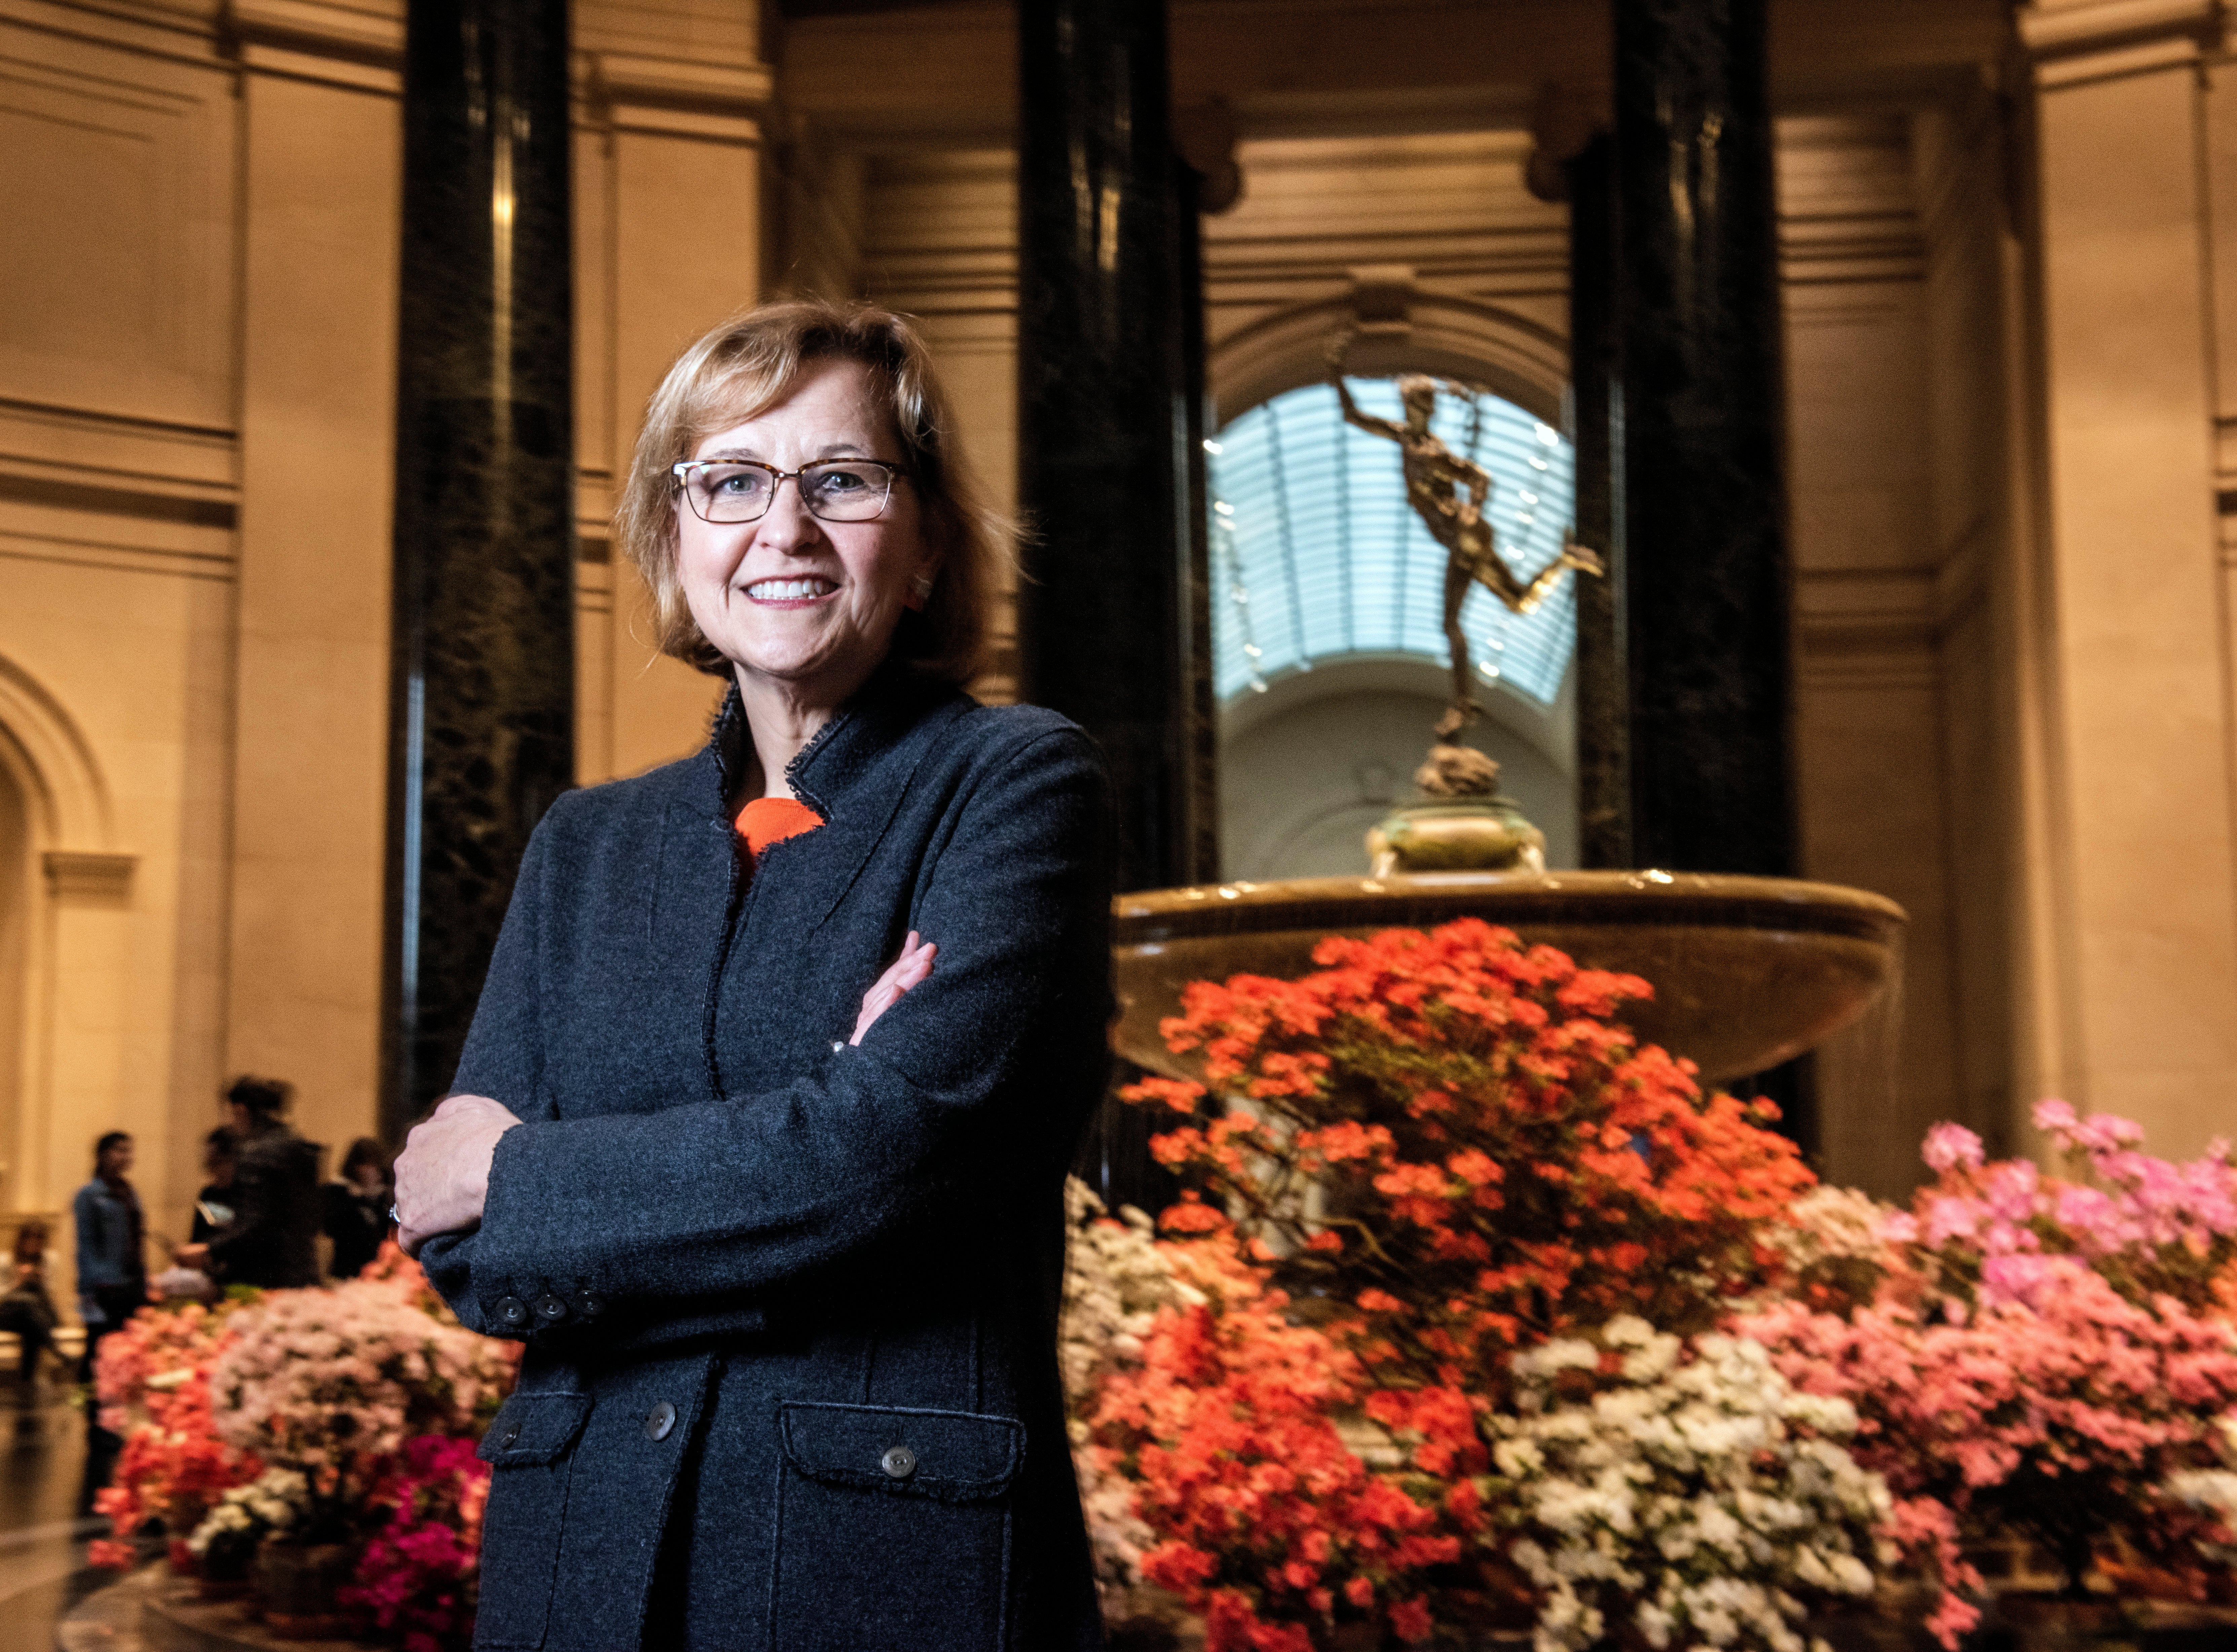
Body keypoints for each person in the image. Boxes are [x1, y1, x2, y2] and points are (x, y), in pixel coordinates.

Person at [395, 301, 1113, 1650]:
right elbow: (467, 1258)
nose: (780, 529)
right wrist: (812, 1145)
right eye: (729, 481)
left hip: (880, 1570)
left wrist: (526, 1172)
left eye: (840, 481)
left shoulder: (1014, 785)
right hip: (577, 1575)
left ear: (924, 547)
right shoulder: (584, 844)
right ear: (677, 540)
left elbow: (883, 1164)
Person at [174, 1077, 319, 1289]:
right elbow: (312, 1220)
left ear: (241, 1111)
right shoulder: (302, 1148)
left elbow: (254, 1223)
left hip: (264, 1277)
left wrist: (209, 1250)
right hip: (303, 1270)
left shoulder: (256, 1154)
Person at [72, 1132, 146, 1379]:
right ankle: (90, 1408)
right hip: (105, 1285)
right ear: (103, 1155)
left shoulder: (130, 1192)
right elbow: (86, 1245)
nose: (126, 1156)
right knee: (97, 1349)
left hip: (132, 1282)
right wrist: (92, 1287)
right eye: (120, 1150)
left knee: (127, 1350)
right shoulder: (89, 1195)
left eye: (129, 1151)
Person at [0, 1222, 59, 1413]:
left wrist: (39, 1279)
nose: (34, 1243)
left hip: (36, 1316)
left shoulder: (49, 1260)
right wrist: (19, 1282)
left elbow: (49, 1294)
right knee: (27, 1302)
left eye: (38, 1239)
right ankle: (53, 1349)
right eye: (29, 1238)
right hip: (9, 1314)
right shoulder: (6, 1261)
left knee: (31, 1319)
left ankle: (26, 1384)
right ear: (21, 1241)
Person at [322, 1137, 393, 1279]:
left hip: (379, 1270)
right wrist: (358, 1199)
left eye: (374, 1165)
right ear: (353, 1166)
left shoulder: (382, 1197)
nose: (369, 1171)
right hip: (346, 1271)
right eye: (364, 1164)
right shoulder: (338, 1192)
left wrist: (376, 1198)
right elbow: (330, 1228)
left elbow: (388, 1230)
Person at [190, 1127, 237, 1246]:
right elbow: (197, 1241)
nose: (211, 1172)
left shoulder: (251, 1196)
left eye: (216, 1164)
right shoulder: (209, 1194)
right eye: (208, 1165)